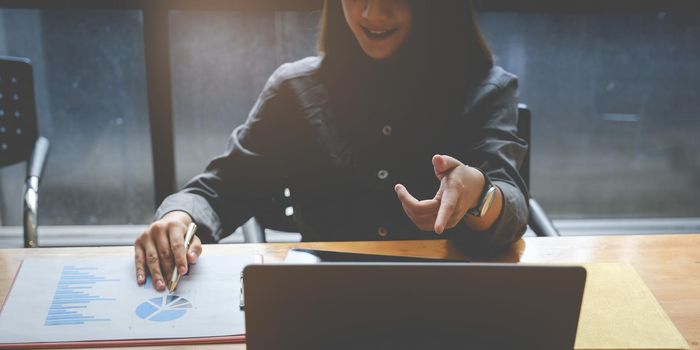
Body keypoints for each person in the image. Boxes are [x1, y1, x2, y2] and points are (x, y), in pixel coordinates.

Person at [134, 0, 528, 291]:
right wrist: (180, 217)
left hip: (454, 297)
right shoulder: (294, 90)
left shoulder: (486, 90)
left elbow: (511, 206)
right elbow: (222, 188)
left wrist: (480, 195)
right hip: (324, 301)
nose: (373, 13)